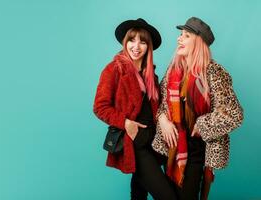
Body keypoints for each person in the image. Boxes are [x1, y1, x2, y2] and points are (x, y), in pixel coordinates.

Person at [152, 17, 244, 200]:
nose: (179, 39)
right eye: (180, 35)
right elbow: (160, 104)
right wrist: (162, 120)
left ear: (199, 42)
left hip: (197, 148)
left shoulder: (213, 72)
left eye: (186, 36)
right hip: (172, 145)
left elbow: (234, 114)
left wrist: (203, 124)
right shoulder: (173, 70)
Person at [93, 18, 176, 200]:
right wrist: (126, 123)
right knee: (168, 196)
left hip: (153, 141)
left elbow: (158, 107)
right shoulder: (114, 69)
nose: (136, 46)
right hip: (134, 142)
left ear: (148, 47)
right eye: (132, 40)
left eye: (142, 41)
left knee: (139, 192)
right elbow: (100, 107)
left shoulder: (150, 75)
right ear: (125, 42)